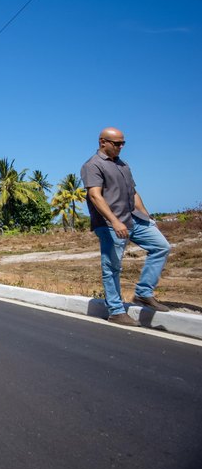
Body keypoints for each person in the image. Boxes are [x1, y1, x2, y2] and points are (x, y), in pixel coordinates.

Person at [80, 127, 171, 327]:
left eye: (123, 143)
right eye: (117, 143)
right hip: (110, 223)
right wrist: (114, 221)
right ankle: (116, 310)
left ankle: (143, 293)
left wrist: (146, 215)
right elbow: (95, 195)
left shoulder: (123, 165)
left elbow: (133, 192)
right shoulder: (92, 165)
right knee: (112, 267)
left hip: (134, 218)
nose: (121, 147)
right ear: (102, 142)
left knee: (161, 246)